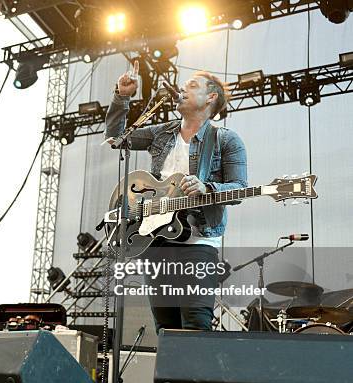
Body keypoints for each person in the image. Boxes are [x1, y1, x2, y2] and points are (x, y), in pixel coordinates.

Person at [105, 61, 247, 332]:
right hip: (157, 242)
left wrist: (208, 188)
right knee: (166, 328)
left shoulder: (225, 140)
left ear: (211, 97)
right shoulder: (162, 132)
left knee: (195, 324)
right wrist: (122, 97)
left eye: (192, 86)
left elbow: (239, 188)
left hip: (198, 242)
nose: (183, 88)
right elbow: (115, 139)